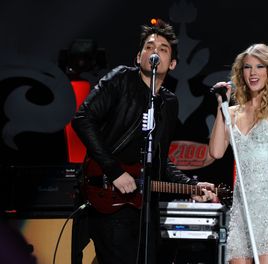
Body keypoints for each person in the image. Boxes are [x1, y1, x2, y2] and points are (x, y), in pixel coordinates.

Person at [71, 19, 217, 264]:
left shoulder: (169, 103)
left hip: (143, 206)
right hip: (108, 193)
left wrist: (191, 185)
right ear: (139, 57)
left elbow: (160, 157)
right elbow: (83, 118)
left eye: (162, 48)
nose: (154, 52)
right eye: (149, 47)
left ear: (172, 63)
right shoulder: (121, 79)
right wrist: (114, 171)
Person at [209, 44, 268, 264]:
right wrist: (221, 105)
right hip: (244, 205)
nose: (253, 73)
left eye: (260, 66)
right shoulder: (231, 113)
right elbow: (216, 152)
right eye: (247, 67)